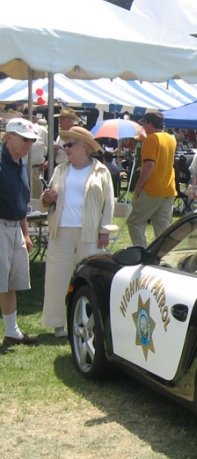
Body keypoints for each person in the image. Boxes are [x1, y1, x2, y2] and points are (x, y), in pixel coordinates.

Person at [40, 127, 115, 338]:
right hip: (61, 229)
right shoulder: (60, 170)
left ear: (85, 147)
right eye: (65, 145)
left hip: (89, 231)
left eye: (70, 145)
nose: (66, 149)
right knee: (57, 276)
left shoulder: (101, 171)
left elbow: (109, 204)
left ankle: (89, 319)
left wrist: (105, 230)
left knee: (88, 277)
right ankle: (58, 324)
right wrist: (47, 198)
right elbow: (46, 203)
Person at [0, 118, 39, 345]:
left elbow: (21, 203)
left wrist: (25, 233)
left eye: (32, 141)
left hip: (15, 229)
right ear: (10, 137)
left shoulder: (21, 164)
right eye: (25, 139)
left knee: (11, 283)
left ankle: (12, 332)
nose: (29, 144)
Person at [126, 111, 176, 247]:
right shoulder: (171, 139)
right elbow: (161, 150)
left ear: (149, 123)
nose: (144, 127)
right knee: (163, 228)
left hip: (152, 189)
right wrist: (145, 140)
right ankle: (161, 256)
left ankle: (142, 254)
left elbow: (149, 165)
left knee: (134, 222)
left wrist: (139, 185)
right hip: (169, 189)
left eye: (144, 124)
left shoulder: (151, 139)